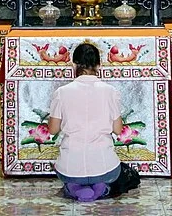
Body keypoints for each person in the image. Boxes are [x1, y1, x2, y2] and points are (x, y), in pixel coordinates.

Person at [48, 43, 124, 201]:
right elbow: (118, 130)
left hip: (69, 168)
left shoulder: (62, 92)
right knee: (114, 172)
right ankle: (100, 188)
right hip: (105, 167)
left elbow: (53, 130)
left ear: (73, 64)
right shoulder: (110, 91)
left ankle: (74, 187)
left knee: (69, 173)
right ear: (99, 65)